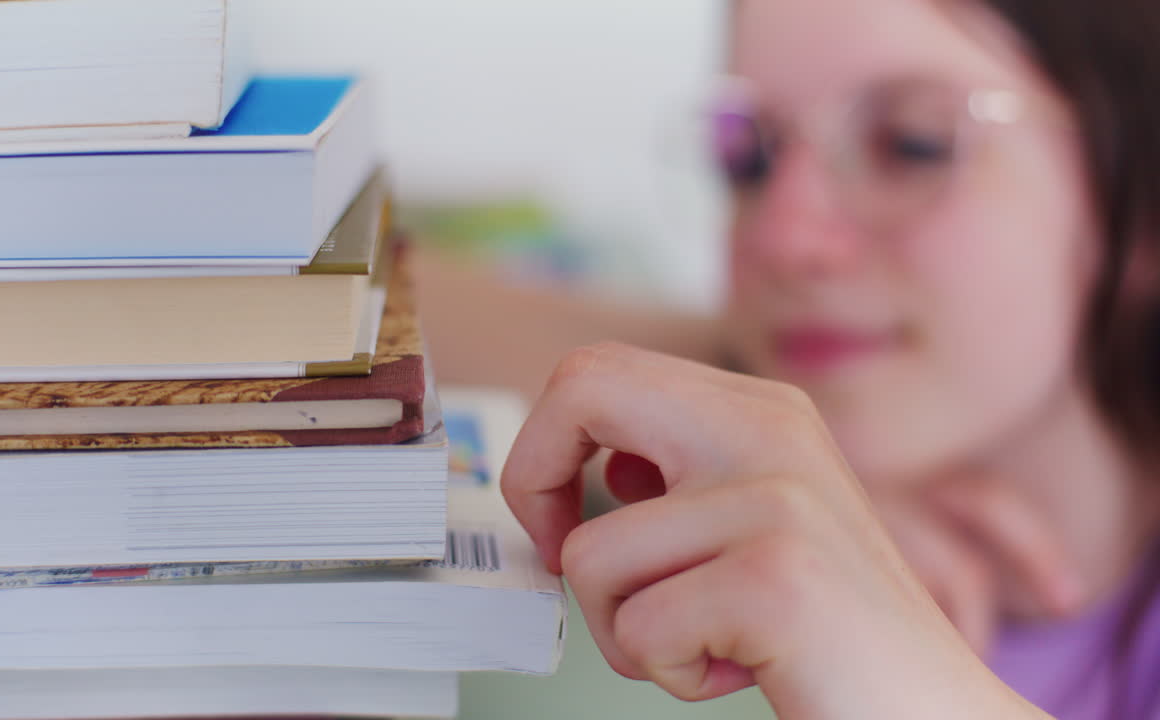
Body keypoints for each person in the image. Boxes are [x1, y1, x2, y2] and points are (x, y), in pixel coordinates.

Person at [416, 0, 1160, 717]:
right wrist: (821, 498)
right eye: (749, 154)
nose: (781, 238)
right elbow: (381, 300)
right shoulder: (776, 405)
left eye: (913, 144)